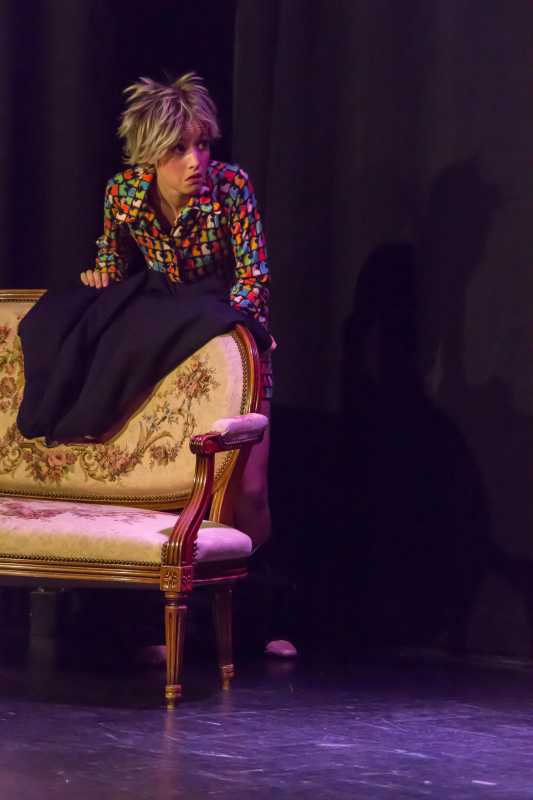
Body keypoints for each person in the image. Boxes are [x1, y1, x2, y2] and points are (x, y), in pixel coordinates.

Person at [80, 73, 296, 658]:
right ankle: (172, 623)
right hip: (172, 356)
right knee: (178, 492)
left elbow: (254, 279)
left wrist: (224, 328)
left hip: (235, 346)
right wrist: (101, 274)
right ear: (151, 154)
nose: (196, 160)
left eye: (202, 144)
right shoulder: (125, 194)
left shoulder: (231, 189)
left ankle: (260, 620)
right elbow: (112, 259)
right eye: (178, 149)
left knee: (248, 490)